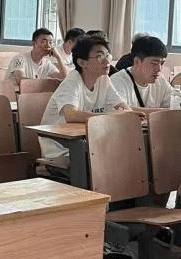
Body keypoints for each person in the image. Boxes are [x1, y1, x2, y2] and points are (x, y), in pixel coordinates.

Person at [38, 35, 131, 167]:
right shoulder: (72, 81)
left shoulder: (103, 79)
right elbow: (71, 115)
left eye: (107, 56)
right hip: (61, 151)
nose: (107, 61)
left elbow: (124, 108)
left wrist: (126, 113)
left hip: (87, 145)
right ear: (82, 63)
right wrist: (111, 116)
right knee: (115, 162)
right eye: (100, 56)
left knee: (130, 154)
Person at [110, 36, 181, 114]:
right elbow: (122, 110)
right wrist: (165, 112)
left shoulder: (160, 82)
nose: (159, 68)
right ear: (137, 61)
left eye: (162, 63)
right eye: (154, 63)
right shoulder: (117, 81)